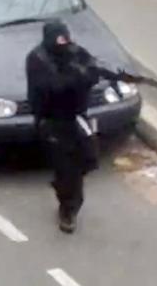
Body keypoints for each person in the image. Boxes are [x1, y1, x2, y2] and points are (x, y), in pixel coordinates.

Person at [26, 20, 108, 234]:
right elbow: (51, 88)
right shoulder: (37, 60)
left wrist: (88, 73)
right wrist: (75, 79)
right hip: (52, 120)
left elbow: (92, 71)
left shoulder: (76, 52)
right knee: (66, 168)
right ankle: (68, 209)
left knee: (89, 158)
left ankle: (66, 189)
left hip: (76, 117)